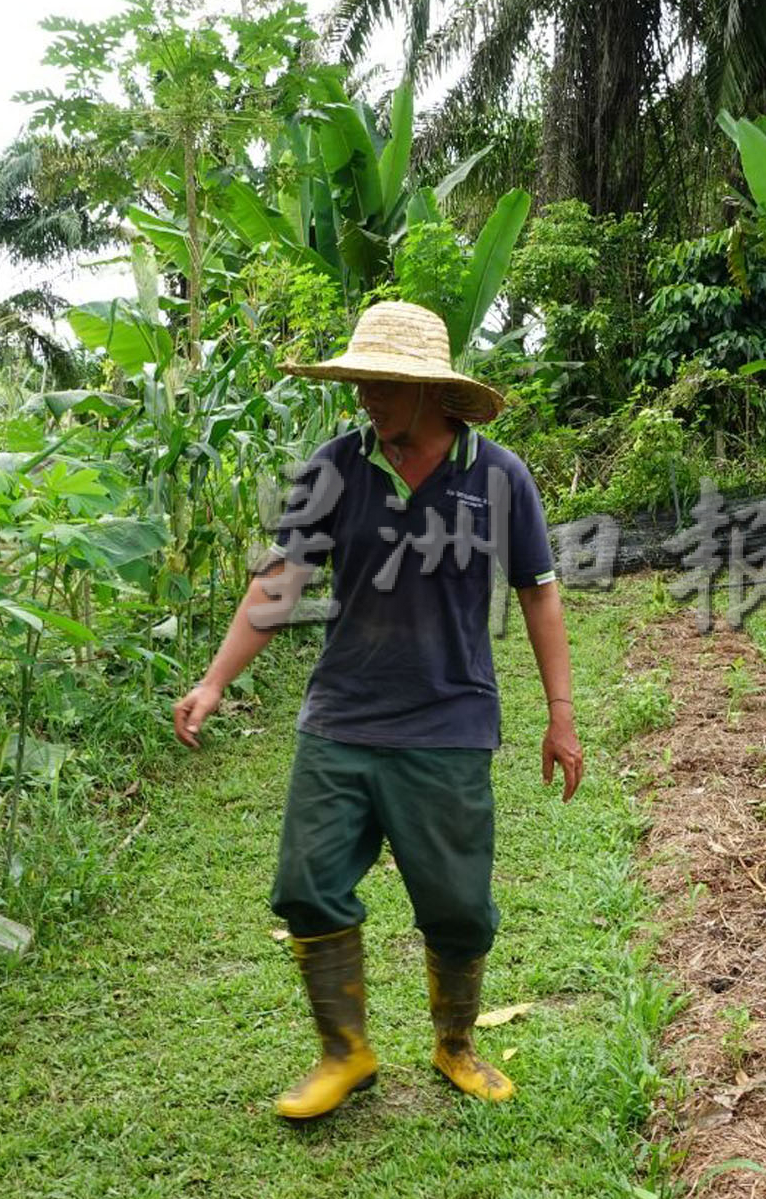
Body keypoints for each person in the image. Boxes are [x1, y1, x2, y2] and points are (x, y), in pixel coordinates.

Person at [173, 300, 584, 1120]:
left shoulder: (498, 476)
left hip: (448, 722)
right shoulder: (337, 465)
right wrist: (215, 680)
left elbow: (538, 593)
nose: (365, 395)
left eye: (382, 382)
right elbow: (279, 581)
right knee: (305, 883)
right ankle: (344, 1050)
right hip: (342, 716)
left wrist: (561, 712)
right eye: (360, 380)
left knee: (459, 905)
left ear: (431, 390)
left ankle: (455, 1041)